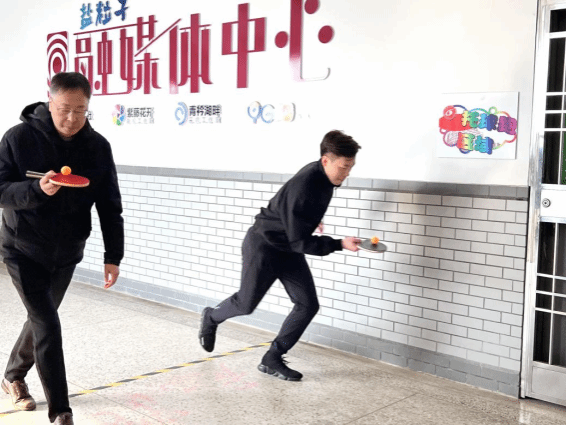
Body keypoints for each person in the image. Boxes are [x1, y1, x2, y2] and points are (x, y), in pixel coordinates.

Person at [0, 72, 124, 425]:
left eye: (80, 110)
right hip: (22, 249)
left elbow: (110, 205)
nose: (72, 118)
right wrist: (37, 190)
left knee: (41, 319)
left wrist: (113, 255)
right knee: (48, 324)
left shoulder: (98, 147)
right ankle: (61, 412)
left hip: (67, 252)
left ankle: (12, 376)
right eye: (64, 109)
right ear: (49, 101)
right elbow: (1, 190)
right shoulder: (18, 138)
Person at [199, 130, 362, 381]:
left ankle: (272, 358)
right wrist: (339, 244)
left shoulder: (324, 177)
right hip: (264, 246)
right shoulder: (306, 183)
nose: (347, 173)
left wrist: (308, 220)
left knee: (307, 305)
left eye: (351, 167)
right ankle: (211, 316)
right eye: (344, 167)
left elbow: (291, 210)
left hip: (288, 247)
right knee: (245, 304)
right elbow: (301, 240)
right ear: (325, 160)